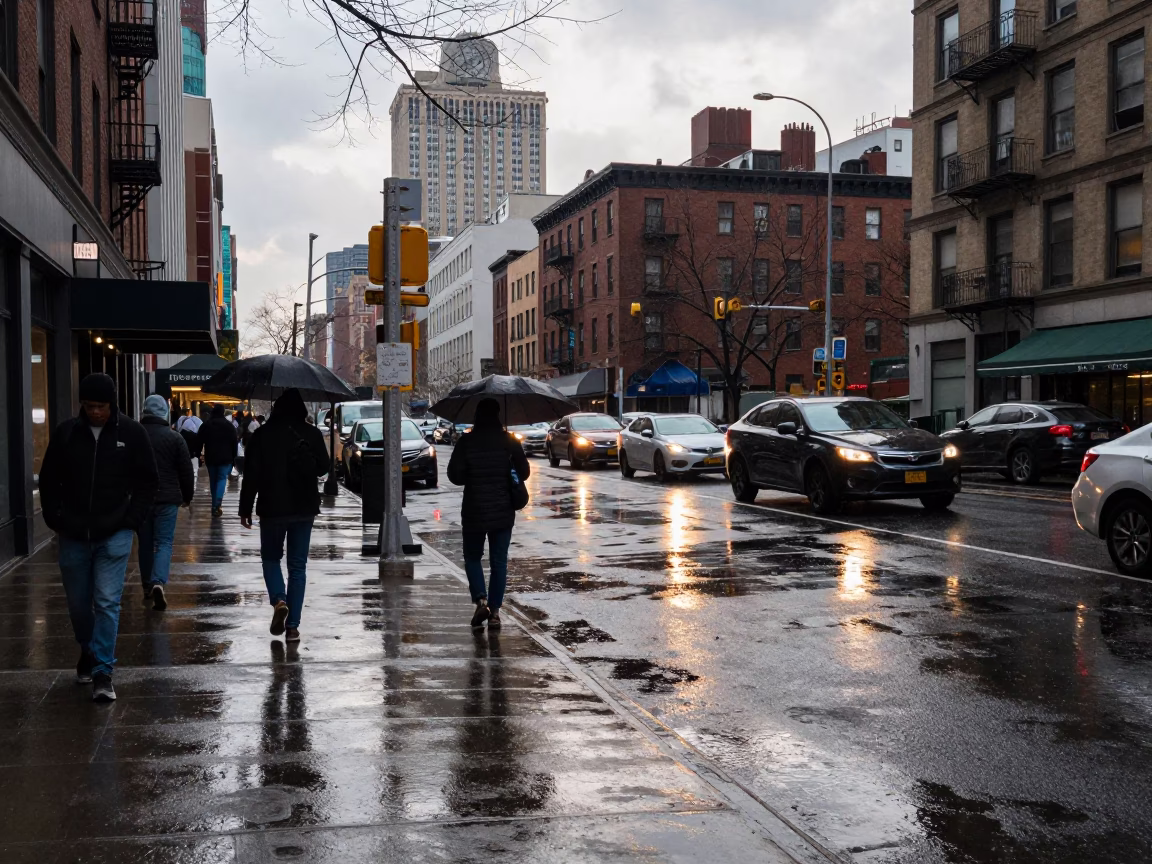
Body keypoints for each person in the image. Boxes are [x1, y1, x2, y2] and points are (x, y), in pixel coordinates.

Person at [39, 373, 158, 702]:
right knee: (79, 605)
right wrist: (55, 518)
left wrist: (131, 520)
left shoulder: (131, 434)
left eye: (101, 406)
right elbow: (49, 480)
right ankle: (87, 650)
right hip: (73, 533)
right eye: (89, 406)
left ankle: (103, 671)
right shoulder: (67, 434)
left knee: (107, 602)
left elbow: (149, 481)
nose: (95, 412)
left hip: (114, 532)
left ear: (112, 404)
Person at [239, 389, 329, 642]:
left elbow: (251, 476)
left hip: (272, 508)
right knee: (297, 566)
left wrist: (245, 508)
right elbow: (324, 467)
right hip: (304, 508)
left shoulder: (262, 435)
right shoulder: (311, 433)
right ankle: (292, 627)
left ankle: (279, 599)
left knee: (270, 559)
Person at [447, 398, 530, 630]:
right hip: (503, 511)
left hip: (474, 510)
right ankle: (494, 612)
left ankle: (480, 600)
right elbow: (524, 473)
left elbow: (455, 476)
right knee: (499, 561)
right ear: (497, 415)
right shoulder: (509, 441)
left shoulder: (466, 441)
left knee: (473, 557)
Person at [138, 395, 194, 610]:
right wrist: (187, 496)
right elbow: (186, 471)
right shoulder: (175, 438)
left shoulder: (136, 436)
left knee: (145, 543)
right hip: (168, 498)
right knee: (164, 543)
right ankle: (158, 581)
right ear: (165, 412)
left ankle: (145, 585)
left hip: (142, 499)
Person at [197, 404, 238, 517]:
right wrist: (234, 458)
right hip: (226, 458)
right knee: (221, 479)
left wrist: (198, 454)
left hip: (211, 457)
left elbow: (199, 440)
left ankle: (214, 504)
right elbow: (234, 443)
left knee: (213, 480)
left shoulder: (207, 425)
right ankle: (217, 504)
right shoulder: (229, 426)